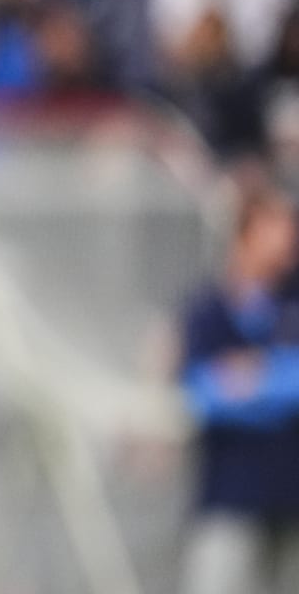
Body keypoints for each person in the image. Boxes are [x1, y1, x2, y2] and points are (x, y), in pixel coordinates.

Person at [179, 174, 299, 594]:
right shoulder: (207, 309)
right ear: (246, 232)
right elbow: (203, 396)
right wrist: (275, 380)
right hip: (231, 493)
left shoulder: (291, 304)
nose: (289, 238)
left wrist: (253, 380)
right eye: (277, 226)